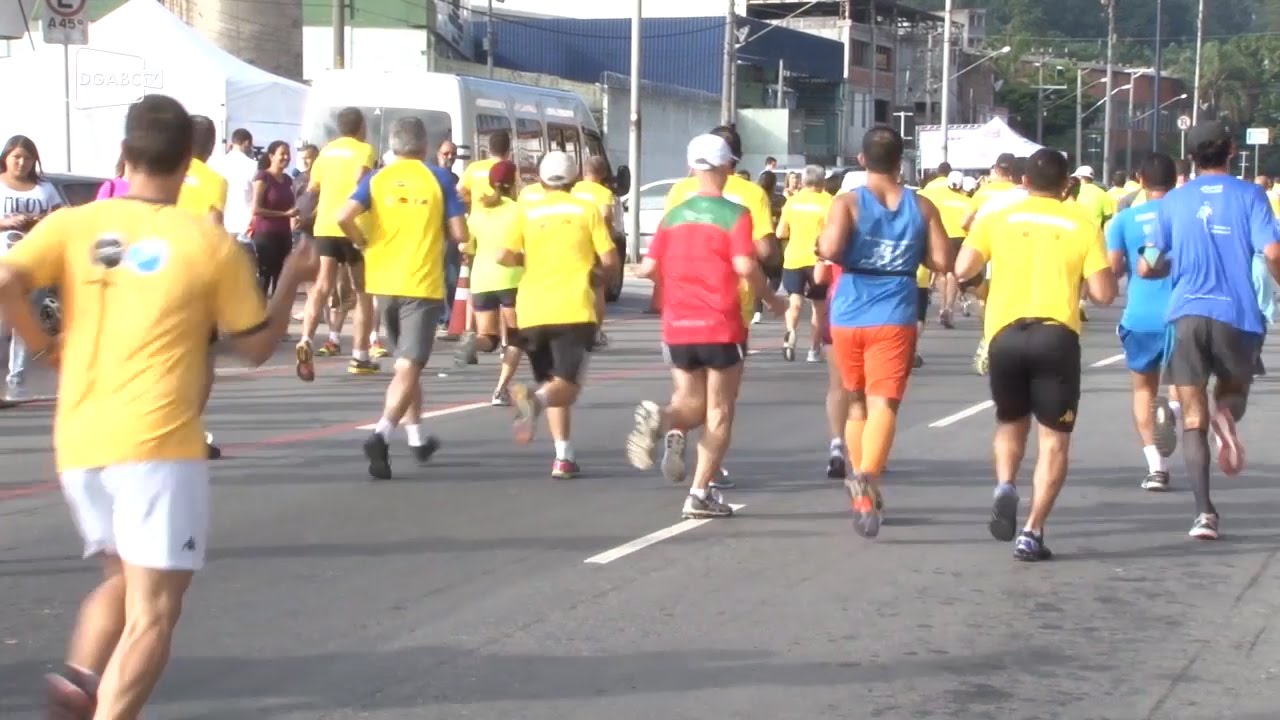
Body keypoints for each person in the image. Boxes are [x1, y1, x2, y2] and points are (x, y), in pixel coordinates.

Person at [0, 94, 316, 720]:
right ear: (187, 163)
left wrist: (43, 346)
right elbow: (254, 348)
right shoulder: (204, 240)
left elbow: (6, 280)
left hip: (81, 442)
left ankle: (82, 675)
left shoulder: (75, 223)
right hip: (158, 445)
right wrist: (290, 285)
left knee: (125, 581)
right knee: (156, 611)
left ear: (124, 153)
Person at [956, 148, 1117, 562]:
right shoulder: (1083, 223)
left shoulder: (996, 216)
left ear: (1023, 181)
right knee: (1054, 441)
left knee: (1010, 422)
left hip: (1005, 335)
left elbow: (961, 268)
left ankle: (1005, 485)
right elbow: (1102, 295)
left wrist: (983, 289)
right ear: (1067, 186)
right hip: (1055, 337)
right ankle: (1032, 531)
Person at [626, 134, 784, 518]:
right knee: (718, 411)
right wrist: (773, 299)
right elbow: (746, 266)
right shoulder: (736, 214)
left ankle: (662, 421)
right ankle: (699, 494)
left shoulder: (673, 216)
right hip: (720, 323)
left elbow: (647, 268)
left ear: (691, 167)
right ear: (728, 167)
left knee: (688, 403)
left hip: (677, 323)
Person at [1141, 121, 1280, 540]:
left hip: (1186, 315)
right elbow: (1272, 251)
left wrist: (1163, 266)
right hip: (1237, 315)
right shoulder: (1252, 195)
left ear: (1190, 155)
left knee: (1193, 419)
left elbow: (1149, 262)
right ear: (1232, 151)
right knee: (1233, 396)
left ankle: (1204, 515)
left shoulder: (1173, 202)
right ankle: (1226, 416)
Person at [817, 126, 951, 539]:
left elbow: (830, 249)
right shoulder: (922, 206)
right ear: (901, 162)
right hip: (894, 310)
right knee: (884, 405)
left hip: (849, 309)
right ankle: (868, 476)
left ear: (861, 160)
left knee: (855, 403)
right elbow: (943, 259)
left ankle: (860, 488)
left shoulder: (848, 202)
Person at [337, 116, 466, 480]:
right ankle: (382, 433)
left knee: (407, 367)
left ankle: (417, 438)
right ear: (424, 146)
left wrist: (361, 241)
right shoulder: (438, 178)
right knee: (410, 365)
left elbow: (342, 214)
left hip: (384, 282)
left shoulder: (375, 179)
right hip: (421, 284)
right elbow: (458, 233)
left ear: (393, 146)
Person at [662, 125, 775, 488]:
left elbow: (665, 249)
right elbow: (762, 251)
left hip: (679, 308)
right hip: (729, 308)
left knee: (687, 394)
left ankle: (672, 426)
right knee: (720, 403)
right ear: (733, 162)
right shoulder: (749, 196)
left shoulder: (680, 192)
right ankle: (706, 478)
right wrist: (772, 296)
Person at [499, 151, 619, 478]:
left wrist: (527, 261)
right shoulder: (586, 209)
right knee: (567, 387)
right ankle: (534, 403)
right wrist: (600, 278)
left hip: (531, 310)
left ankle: (563, 456)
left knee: (554, 383)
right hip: (573, 307)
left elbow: (503, 255)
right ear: (574, 180)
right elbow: (610, 259)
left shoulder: (525, 211)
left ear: (539, 180)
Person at [1106, 153, 1180, 492]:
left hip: (1141, 314)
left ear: (1139, 178)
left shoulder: (1125, 219)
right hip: (1184, 313)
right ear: (1176, 178)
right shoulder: (1188, 215)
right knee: (1184, 385)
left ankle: (1156, 468)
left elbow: (1116, 267)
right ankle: (1175, 413)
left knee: (1143, 390)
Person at [296, 107, 379, 380]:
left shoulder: (325, 152)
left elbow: (313, 188)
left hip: (325, 225)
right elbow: (361, 178)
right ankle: (360, 356)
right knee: (361, 292)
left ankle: (306, 338)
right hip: (352, 225)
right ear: (360, 127)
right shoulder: (364, 149)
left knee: (322, 285)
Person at [175, 115, 229, 461]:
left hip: (156, 275)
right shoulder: (213, 181)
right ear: (210, 145)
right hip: (195, 278)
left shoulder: (163, 173)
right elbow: (213, 229)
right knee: (203, 361)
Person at [0, 135, 63, 401]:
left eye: (27, 158)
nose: (22, 163)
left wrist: (39, 220)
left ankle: (17, 380)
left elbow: (60, 215)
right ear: (6, 158)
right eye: (17, 157)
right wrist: (6, 222)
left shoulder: (44, 188)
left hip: (32, 263)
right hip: (3, 260)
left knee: (23, 320)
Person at [459, 160, 524, 405]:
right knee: (517, 338)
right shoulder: (518, 210)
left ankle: (471, 342)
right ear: (514, 182)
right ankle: (500, 389)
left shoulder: (478, 212)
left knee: (490, 339)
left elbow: (467, 247)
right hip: (511, 278)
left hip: (481, 278)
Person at [776, 164, 832, 363]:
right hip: (819, 260)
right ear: (822, 180)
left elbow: (780, 232)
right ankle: (813, 351)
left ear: (803, 180)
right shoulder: (829, 202)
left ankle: (791, 333)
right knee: (818, 307)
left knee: (795, 301)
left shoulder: (792, 201)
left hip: (793, 257)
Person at [572, 156, 618, 348]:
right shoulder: (605, 193)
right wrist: (609, 236)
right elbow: (607, 217)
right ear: (604, 174)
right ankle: (595, 333)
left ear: (584, 170)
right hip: (596, 243)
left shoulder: (574, 189)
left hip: (575, 241)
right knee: (597, 288)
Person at [918, 169, 974, 328]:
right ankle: (949, 307)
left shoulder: (937, 198)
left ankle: (942, 305)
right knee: (953, 275)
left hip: (941, 236)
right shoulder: (966, 201)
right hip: (960, 238)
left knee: (941, 273)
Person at [249, 140, 299, 297]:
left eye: (288, 154)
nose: (286, 157)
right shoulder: (263, 177)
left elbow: (291, 207)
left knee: (281, 281)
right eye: (282, 154)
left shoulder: (288, 180)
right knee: (264, 280)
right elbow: (256, 209)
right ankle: (257, 319)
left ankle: (276, 318)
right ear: (271, 156)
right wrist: (284, 215)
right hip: (266, 236)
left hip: (284, 236)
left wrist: (295, 219)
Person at [212, 128, 259, 244]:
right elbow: (256, 196)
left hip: (221, 221)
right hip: (243, 224)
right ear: (247, 143)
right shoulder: (252, 165)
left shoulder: (217, 163)